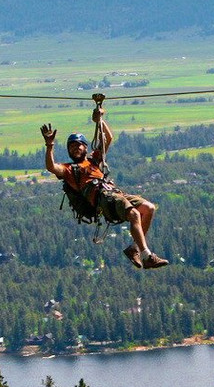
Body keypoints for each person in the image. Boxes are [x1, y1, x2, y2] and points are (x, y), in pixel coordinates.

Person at [41, 106, 169, 269]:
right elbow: (51, 167)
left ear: (85, 148)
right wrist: (50, 145)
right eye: (72, 146)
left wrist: (100, 120)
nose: (76, 148)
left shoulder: (93, 160)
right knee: (135, 214)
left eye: (79, 145)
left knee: (148, 208)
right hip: (102, 198)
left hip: (114, 193)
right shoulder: (68, 170)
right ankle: (147, 256)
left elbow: (107, 138)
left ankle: (134, 249)